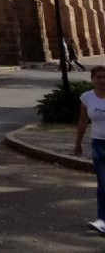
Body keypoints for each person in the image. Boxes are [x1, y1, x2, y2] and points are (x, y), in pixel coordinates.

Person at [75, 65, 105, 235]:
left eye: (104, 77)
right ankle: (102, 220)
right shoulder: (87, 97)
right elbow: (82, 122)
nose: (102, 80)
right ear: (92, 79)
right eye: (98, 77)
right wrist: (77, 143)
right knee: (103, 184)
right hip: (98, 145)